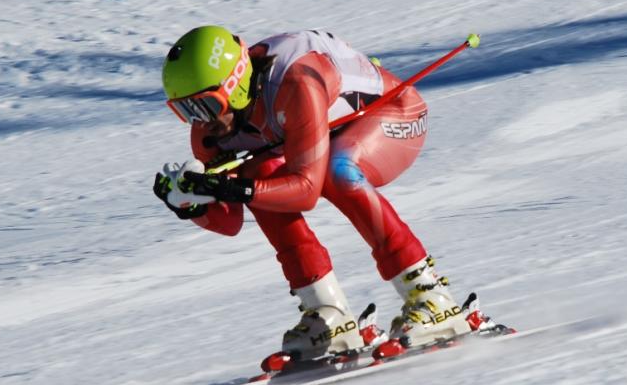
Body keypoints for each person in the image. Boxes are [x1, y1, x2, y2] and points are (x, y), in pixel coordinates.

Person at [152, 26, 473, 361]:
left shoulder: (296, 82)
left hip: (394, 114)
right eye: (185, 111)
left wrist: (234, 188)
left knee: (338, 171)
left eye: (203, 106)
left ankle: (430, 296)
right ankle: (328, 311)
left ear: (234, 86)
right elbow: (229, 222)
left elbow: (306, 190)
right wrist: (189, 203)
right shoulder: (209, 131)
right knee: (258, 177)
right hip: (330, 135)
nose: (200, 121)